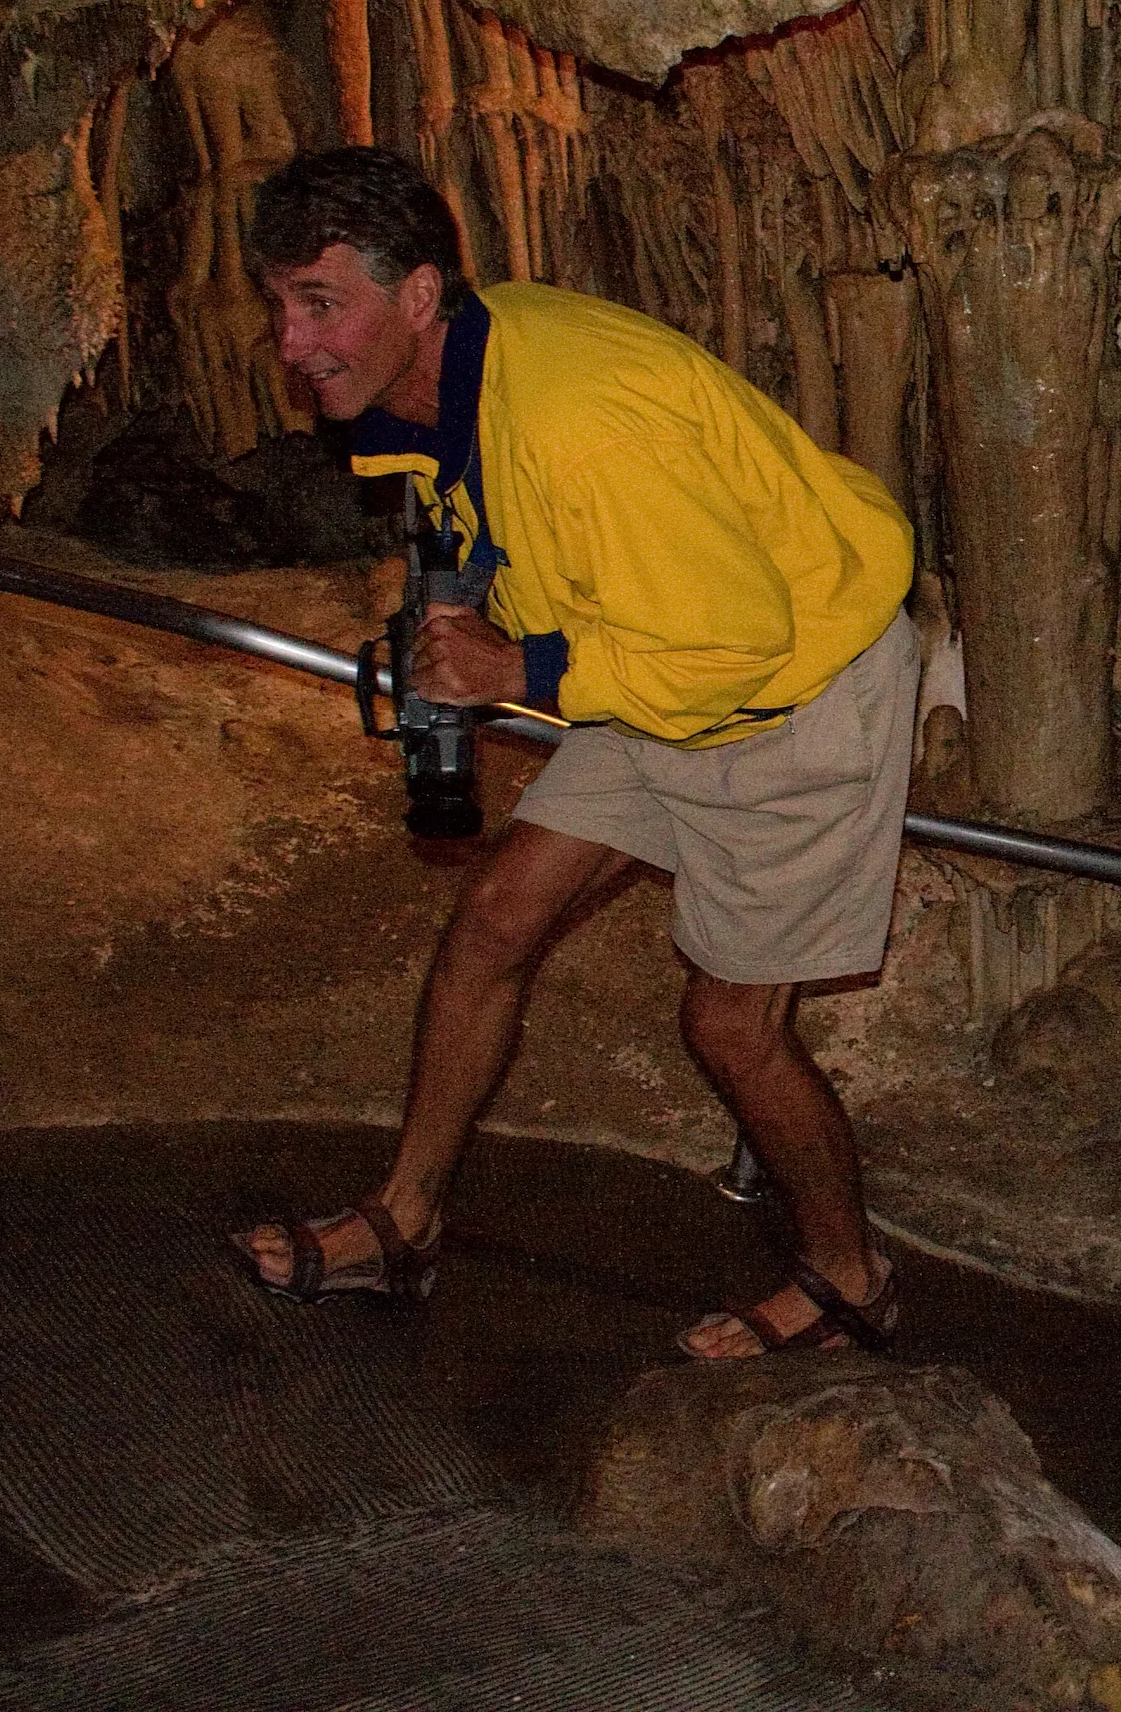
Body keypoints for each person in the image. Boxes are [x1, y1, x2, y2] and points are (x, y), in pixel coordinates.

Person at [228, 147, 920, 1361]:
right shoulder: (460, 371)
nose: (292, 342)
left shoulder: (578, 422)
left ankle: (851, 1277)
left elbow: (734, 640)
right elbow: (499, 526)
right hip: (641, 664)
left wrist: (517, 669)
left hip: (786, 695)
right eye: (281, 304)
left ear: (420, 294)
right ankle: (405, 1221)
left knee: (732, 1024)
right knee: (494, 921)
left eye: (320, 303)